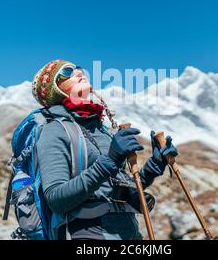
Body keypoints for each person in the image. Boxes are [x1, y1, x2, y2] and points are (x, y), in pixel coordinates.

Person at [32, 59, 178, 240]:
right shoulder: (54, 130)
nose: (79, 72)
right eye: (67, 72)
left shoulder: (100, 128)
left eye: (77, 68)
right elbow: (56, 199)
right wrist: (109, 160)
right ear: (55, 90)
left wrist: (154, 165)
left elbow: (118, 189)